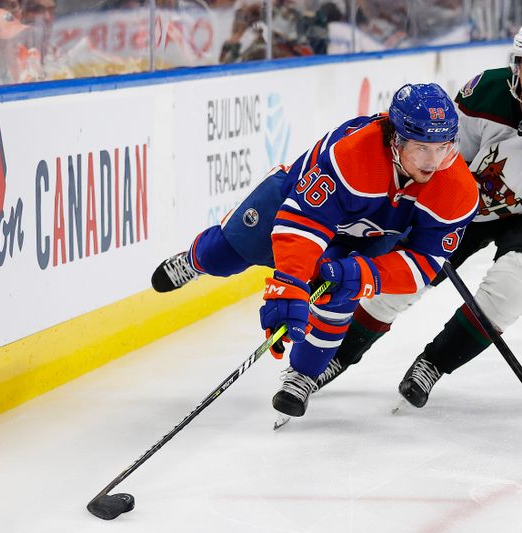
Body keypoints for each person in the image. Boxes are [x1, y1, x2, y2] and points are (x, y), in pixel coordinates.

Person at [313, 14, 522, 409]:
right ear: (515, 65)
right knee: (402, 276)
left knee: (514, 286)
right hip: (471, 204)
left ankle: (433, 364)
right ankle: (335, 355)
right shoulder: (485, 92)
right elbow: (443, 160)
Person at [150, 83, 479, 417]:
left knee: (342, 294)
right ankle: (194, 261)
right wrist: (290, 283)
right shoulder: (353, 153)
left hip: (365, 235)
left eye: (443, 148)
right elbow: (304, 223)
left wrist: (365, 276)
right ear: (396, 140)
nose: (434, 161)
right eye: (422, 148)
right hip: (293, 204)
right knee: (223, 254)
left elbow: (423, 264)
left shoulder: (457, 189)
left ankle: (303, 375)